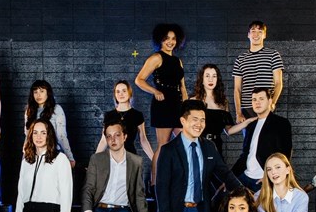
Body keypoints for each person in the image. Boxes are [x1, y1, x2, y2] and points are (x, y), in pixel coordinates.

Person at [81, 121, 153, 212]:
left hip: (122, 211)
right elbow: (88, 188)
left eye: (117, 135)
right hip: (99, 210)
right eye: (108, 136)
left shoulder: (136, 161)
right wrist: (88, 211)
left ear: (125, 136)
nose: (112, 139)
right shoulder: (97, 159)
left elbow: (139, 194)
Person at [15, 119, 73, 212]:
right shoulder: (26, 160)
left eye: (43, 132)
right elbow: (21, 193)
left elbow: (67, 191)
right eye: (35, 133)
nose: (39, 136)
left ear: (49, 135)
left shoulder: (60, 159)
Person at [135, 23, 188, 155]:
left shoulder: (177, 61)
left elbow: (182, 86)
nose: (170, 42)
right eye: (167, 38)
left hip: (177, 104)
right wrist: (155, 91)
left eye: (173, 38)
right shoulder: (156, 58)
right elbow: (139, 80)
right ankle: (156, 176)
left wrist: (186, 105)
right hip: (163, 105)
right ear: (160, 39)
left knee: (185, 141)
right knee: (163, 145)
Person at [230, 88, 294, 190]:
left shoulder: (281, 123)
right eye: (254, 100)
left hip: (263, 179)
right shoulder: (251, 125)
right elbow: (245, 154)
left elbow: (285, 154)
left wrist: (270, 177)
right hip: (245, 177)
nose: (257, 102)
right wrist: (230, 177)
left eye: (261, 99)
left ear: (269, 101)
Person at [232, 21, 284, 122]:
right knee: (249, 137)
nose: (256, 34)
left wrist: (272, 103)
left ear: (264, 35)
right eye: (253, 31)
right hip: (247, 109)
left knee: (266, 137)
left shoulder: (273, 55)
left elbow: (278, 83)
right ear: (248, 34)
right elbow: (237, 89)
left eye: (260, 31)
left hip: (265, 107)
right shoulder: (240, 59)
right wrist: (238, 113)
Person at [95, 80, 155, 162]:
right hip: (113, 159)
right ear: (115, 95)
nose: (121, 94)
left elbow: (143, 140)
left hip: (131, 158)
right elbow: (103, 141)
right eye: (118, 92)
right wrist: (94, 161)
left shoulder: (137, 115)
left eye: (124, 91)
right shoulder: (109, 115)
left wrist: (154, 159)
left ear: (129, 93)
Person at [23, 80, 75, 168]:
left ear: (48, 93)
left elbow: (61, 136)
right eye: (35, 92)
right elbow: (28, 136)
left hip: (52, 153)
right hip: (32, 154)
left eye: (42, 91)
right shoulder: (29, 110)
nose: (38, 95)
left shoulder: (56, 109)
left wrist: (70, 157)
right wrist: (25, 153)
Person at [192, 63, 236, 152]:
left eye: (214, 76)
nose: (211, 79)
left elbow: (229, 130)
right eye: (207, 76)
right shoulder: (193, 101)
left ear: (217, 79)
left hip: (216, 146)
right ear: (202, 80)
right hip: (199, 145)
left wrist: (247, 122)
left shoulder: (223, 102)